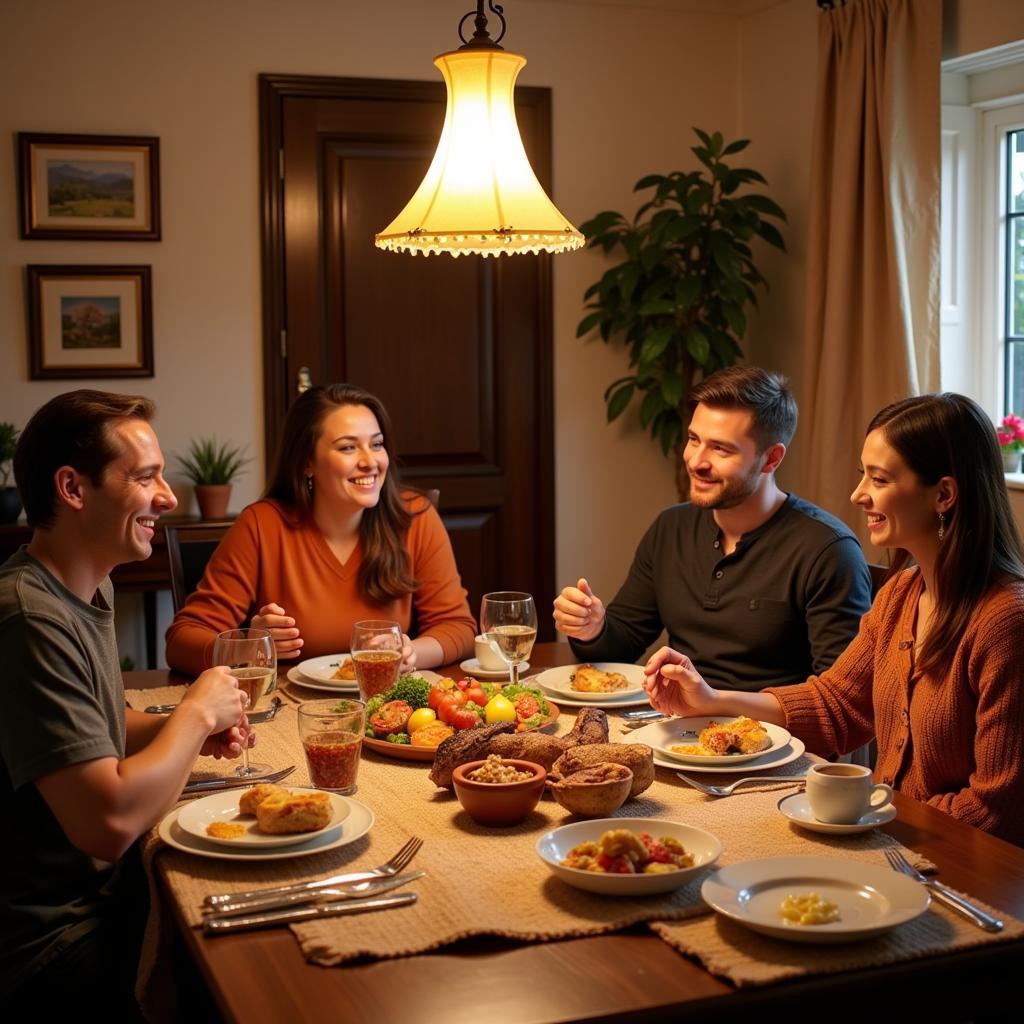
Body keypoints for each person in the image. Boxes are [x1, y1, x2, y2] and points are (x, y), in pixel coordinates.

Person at [645, 393, 1024, 845]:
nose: (858, 494)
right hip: (891, 836)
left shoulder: (1005, 623)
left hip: (961, 864)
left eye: (878, 478)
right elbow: (836, 704)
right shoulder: (901, 595)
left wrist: (875, 812)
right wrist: (710, 701)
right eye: (863, 473)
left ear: (943, 494)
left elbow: (995, 810)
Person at [1, 391, 249, 1014]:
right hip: (47, 946)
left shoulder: (84, 586)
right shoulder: (29, 619)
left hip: (98, 903)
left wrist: (178, 732)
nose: (167, 497)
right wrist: (192, 715)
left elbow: (101, 727)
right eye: (145, 477)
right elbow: (107, 824)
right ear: (73, 488)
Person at [553, 366, 872, 690]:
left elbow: (843, 699)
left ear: (771, 459)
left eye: (721, 448)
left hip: (774, 735)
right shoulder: (671, 527)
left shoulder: (828, 550)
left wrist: (719, 707)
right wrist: (592, 628)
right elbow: (624, 642)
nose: (695, 461)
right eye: (694, 439)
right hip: (679, 731)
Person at [165, 383, 476, 675]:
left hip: (387, 706)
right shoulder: (261, 526)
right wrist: (249, 645)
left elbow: (458, 627)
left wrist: (409, 653)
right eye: (348, 448)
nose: (371, 462)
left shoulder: (415, 517)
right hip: (287, 717)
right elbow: (181, 642)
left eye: (377, 444)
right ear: (306, 462)